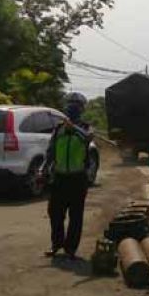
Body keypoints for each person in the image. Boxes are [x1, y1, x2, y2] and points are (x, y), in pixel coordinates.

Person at [45, 92, 93, 260]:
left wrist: (75, 128)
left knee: (75, 215)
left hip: (77, 178)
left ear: (81, 108)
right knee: (55, 213)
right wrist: (43, 169)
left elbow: (88, 138)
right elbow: (51, 150)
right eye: (70, 104)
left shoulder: (86, 127)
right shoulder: (59, 128)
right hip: (59, 177)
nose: (72, 107)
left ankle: (70, 248)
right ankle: (56, 244)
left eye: (76, 104)